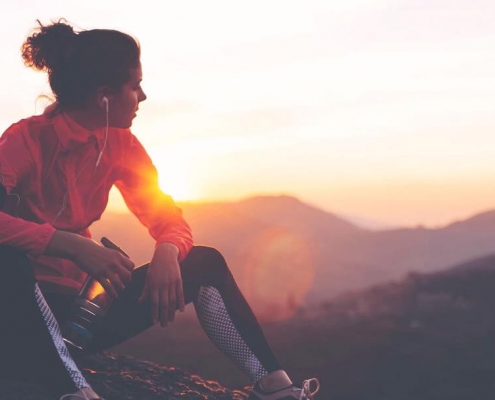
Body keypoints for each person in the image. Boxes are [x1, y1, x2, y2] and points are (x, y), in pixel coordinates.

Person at [0, 19, 320, 400]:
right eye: (135, 86)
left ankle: (275, 387)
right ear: (104, 96)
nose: (143, 96)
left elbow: (165, 213)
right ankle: (74, 391)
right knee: (9, 258)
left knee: (204, 263)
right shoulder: (25, 140)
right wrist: (71, 245)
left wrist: (169, 248)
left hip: (80, 317)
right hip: (17, 316)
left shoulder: (120, 144)